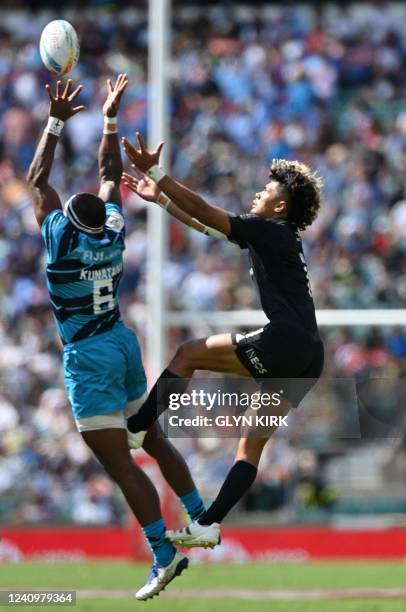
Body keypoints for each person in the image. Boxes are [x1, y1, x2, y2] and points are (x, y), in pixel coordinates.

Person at [27, 76, 207, 600]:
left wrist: (56, 119)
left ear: (66, 222)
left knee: (118, 461)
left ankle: (163, 552)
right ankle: (199, 516)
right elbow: (110, 174)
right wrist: (109, 117)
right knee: (151, 437)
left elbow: (38, 178)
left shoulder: (60, 243)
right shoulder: (112, 232)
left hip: (88, 355)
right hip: (121, 340)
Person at [121, 133, 325, 547]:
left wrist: (156, 172)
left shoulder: (269, 231)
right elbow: (207, 227)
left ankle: (139, 428)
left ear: (280, 207)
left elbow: (203, 209)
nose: (258, 193)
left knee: (188, 353)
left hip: (284, 340)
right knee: (250, 447)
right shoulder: (275, 236)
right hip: (309, 356)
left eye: (267, 191)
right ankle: (208, 523)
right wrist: (161, 202)